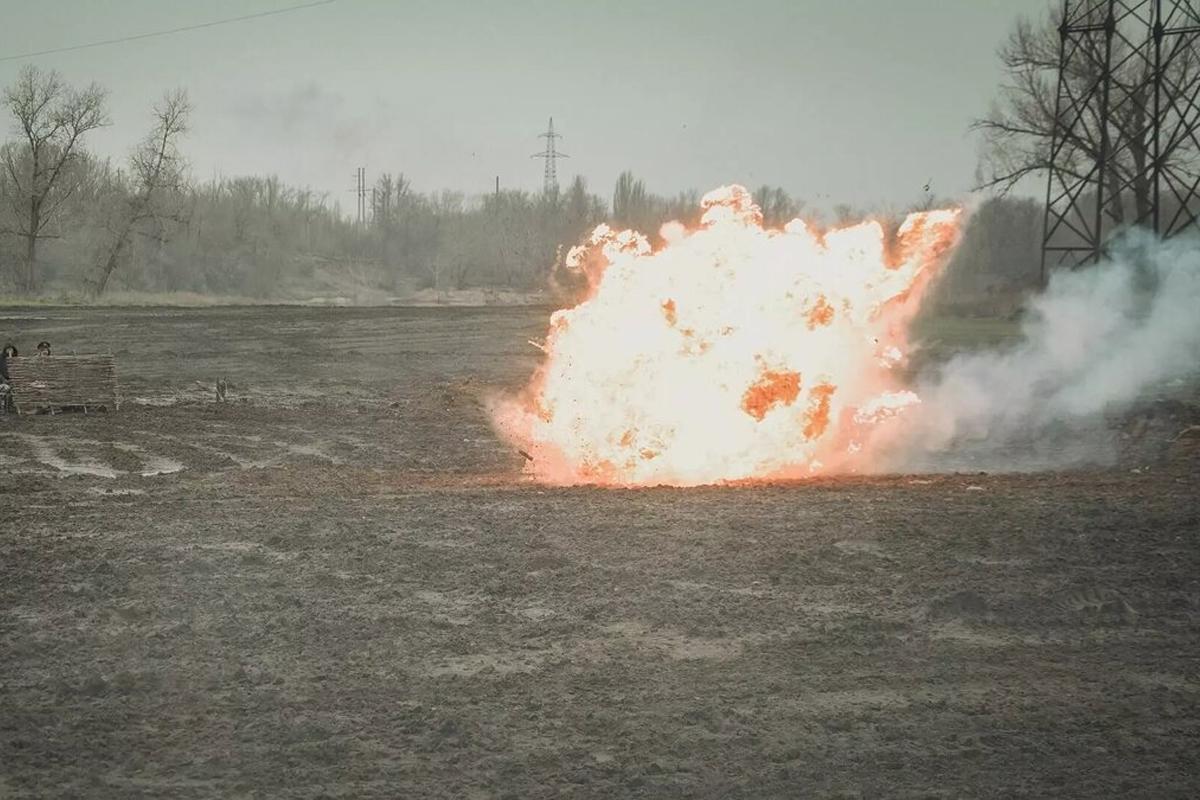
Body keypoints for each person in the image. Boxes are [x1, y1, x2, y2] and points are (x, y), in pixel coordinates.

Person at [0, 343, 15, 413]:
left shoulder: (16, 359)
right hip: (3, 379)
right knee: (4, 390)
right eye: (8, 349)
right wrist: (3, 380)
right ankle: (3, 407)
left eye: (11, 349)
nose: (9, 351)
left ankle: (11, 406)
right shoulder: (1, 359)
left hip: (14, 379)